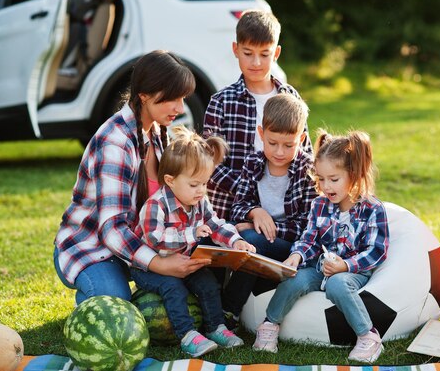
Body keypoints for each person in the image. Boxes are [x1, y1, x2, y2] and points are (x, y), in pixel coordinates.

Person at [53, 50, 211, 305]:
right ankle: (95, 295)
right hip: (91, 247)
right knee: (115, 303)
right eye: (172, 99)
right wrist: (159, 264)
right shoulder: (114, 143)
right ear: (144, 96)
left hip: (138, 244)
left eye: (182, 98)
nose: (180, 108)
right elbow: (112, 228)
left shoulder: (159, 134)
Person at [251, 129, 390, 363]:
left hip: (353, 271)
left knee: (337, 284)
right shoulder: (320, 205)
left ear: (354, 174)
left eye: (334, 179)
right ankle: (269, 324)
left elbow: (377, 250)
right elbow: (310, 239)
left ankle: (369, 335)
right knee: (294, 279)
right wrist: (296, 255)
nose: (326, 186)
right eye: (321, 179)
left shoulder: (372, 209)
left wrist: (345, 265)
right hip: (320, 266)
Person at [131, 126, 256, 357]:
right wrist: (192, 233)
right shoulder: (155, 205)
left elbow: (216, 224)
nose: (201, 191)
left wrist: (235, 241)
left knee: (208, 283)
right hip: (150, 268)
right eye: (194, 184)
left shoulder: (199, 201)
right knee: (173, 288)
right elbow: (155, 240)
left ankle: (216, 327)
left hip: (183, 261)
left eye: (205, 183)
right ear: (170, 180)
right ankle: (187, 335)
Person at [203, 9, 312, 222]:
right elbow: (208, 162)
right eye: (248, 53)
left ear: (277, 53)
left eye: (264, 54)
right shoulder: (222, 102)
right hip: (233, 208)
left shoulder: (290, 96)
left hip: (285, 210)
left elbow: (304, 152)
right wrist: (249, 195)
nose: (256, 63)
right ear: (235, 49)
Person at [222, 93, 317, 329]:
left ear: (301, 138)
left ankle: (228, 310)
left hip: (291, 248)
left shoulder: (308, 170)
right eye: (272, 143)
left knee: (253, 239)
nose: (279, 152)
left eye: (289, 145)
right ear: (261, 134)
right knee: (240, 236)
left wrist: (261, 227)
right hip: (259, 238)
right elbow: (238, 208)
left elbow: (306, 225)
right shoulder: (253, 163)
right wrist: (256, 213)